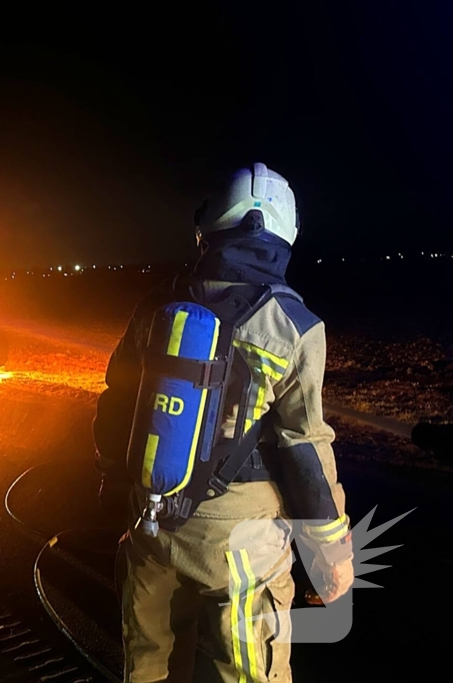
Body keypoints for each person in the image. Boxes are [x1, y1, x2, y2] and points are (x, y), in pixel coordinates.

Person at [93, 163, 354, 682]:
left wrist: (119, 487)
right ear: (285, 232)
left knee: (146, 667)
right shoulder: (295, 326)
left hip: (152, 522)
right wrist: (332, 553)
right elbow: (305, 449)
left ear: (208, 226)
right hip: (241, 545)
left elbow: (115, 405)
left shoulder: (156, 304)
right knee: (244, 670)